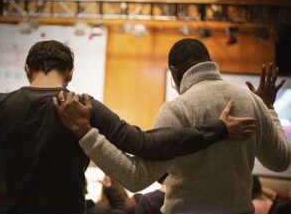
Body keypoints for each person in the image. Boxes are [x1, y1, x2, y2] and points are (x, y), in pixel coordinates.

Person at [0, 40, 256, 214]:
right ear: (70, 72)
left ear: (27, 69)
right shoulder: (85, 107)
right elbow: (147, 145)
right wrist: (218, 130)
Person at [54, 38, 291, 214]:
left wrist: (86, 135)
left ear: (175, 73)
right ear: (210, 63)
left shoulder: (177, 110)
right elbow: (280, 161)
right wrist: (268, 107)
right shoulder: (252, 102)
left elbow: (137, 178)